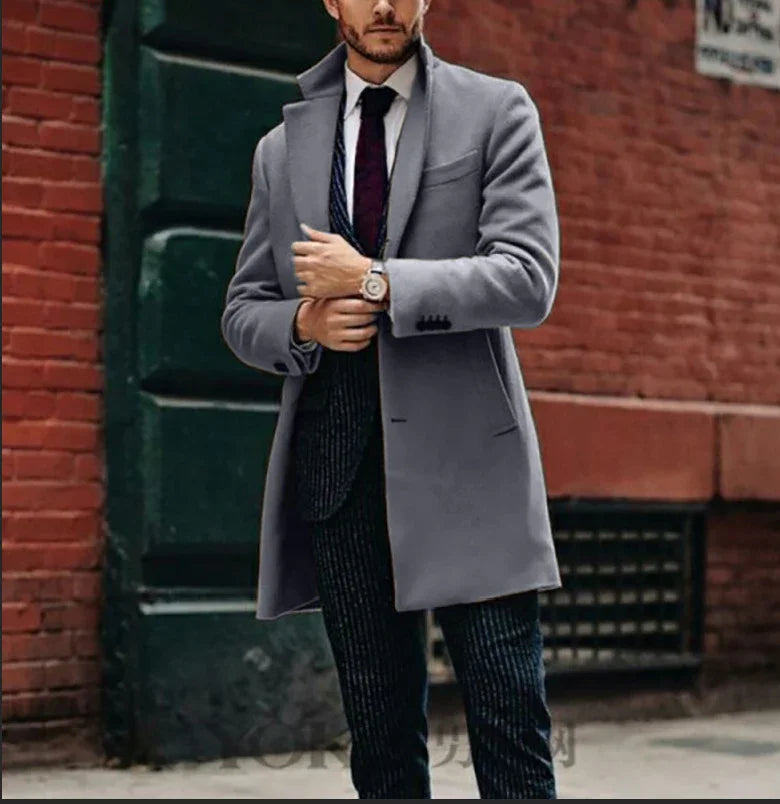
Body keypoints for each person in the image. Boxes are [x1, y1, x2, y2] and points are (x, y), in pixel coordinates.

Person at [221, 0, 562, 797]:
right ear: (330, 2)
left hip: (468, 468)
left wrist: (377, 281)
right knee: (379, 741)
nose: (382, 4)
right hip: (338, 471)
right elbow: (243, 310)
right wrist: (303, 321)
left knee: (509, 723)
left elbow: (527, 277)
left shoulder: (495, 110)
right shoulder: (281, 148)